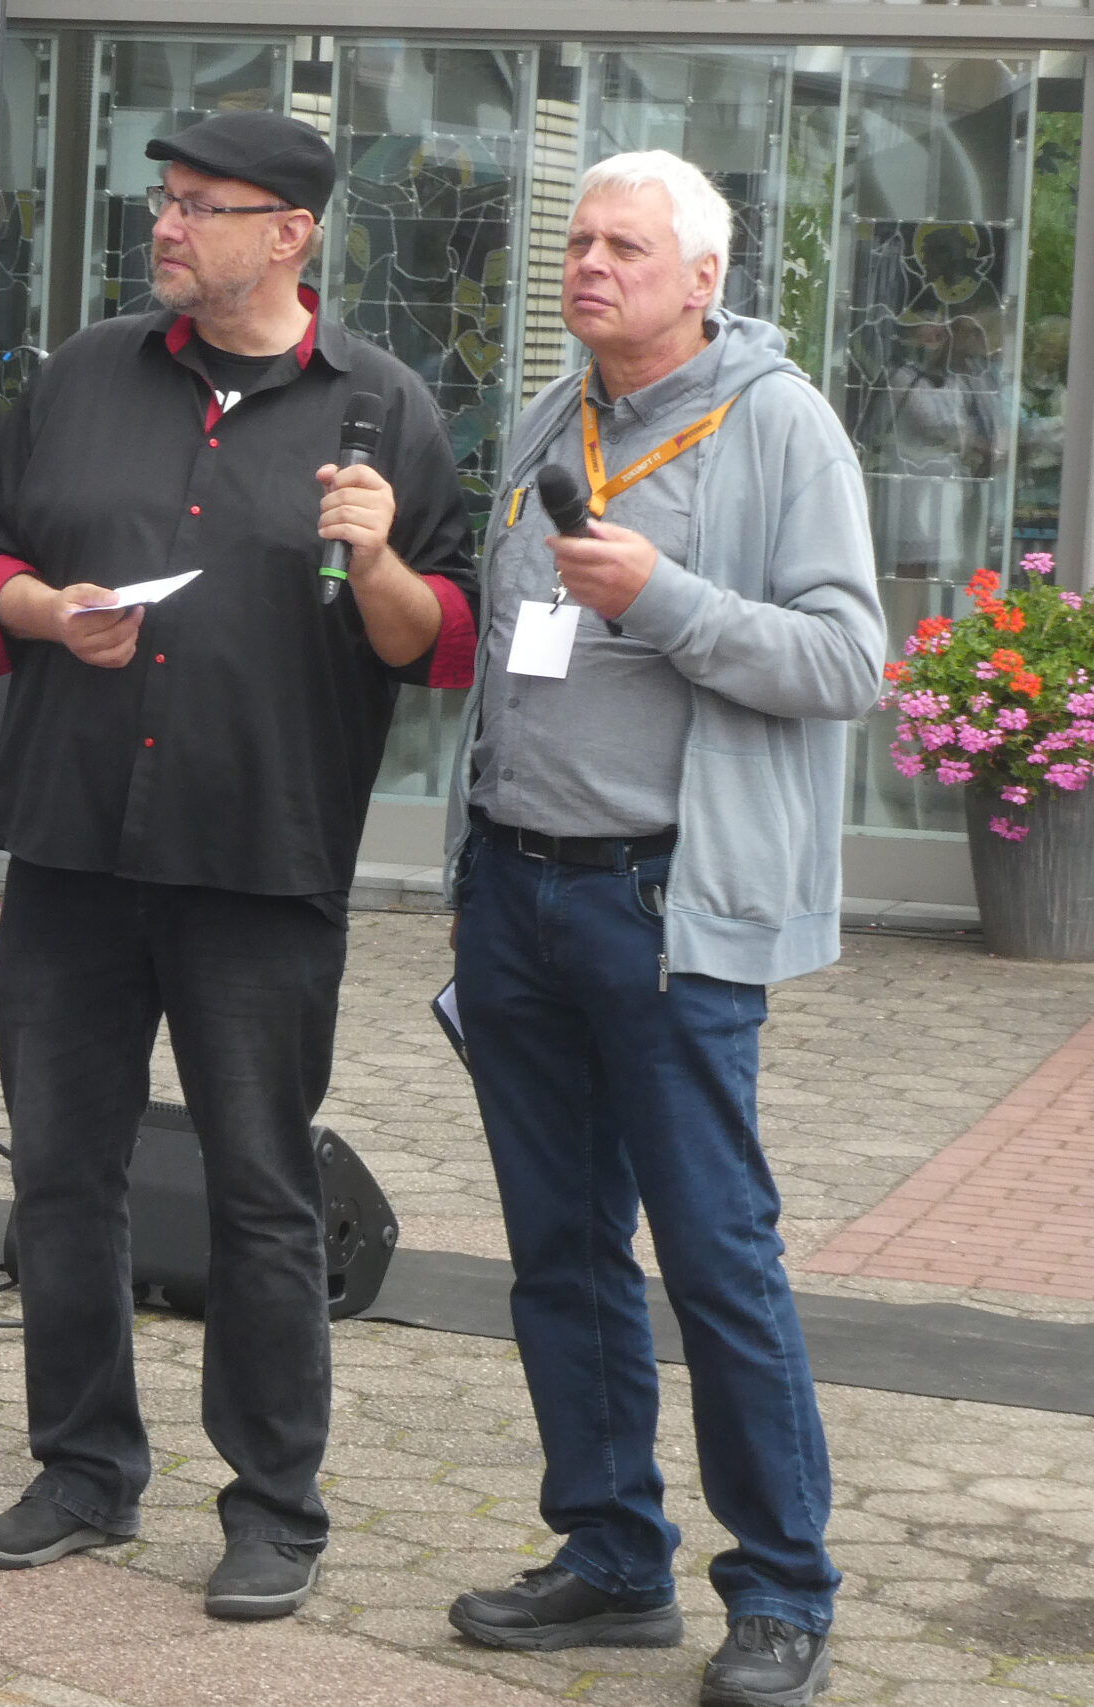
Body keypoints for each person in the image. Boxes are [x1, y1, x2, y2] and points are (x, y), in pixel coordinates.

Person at [0, 109, 478, 1622]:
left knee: (262, 1190)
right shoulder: (82, 376)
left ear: (290, 234)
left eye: (201, 206)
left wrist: (377, 561)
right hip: (73, 846)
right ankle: (83, 1471)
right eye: (162, 200)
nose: (165, 226)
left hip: (260, 860)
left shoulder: (385, 407)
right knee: (62, 1176)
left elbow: (440, 641)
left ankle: (275, 1507)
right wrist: (44, 610)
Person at [440, 151, 884, 1707]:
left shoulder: (779, 423)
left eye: (626, 246)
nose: (590, 264)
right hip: (518, 892)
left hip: (663, 909)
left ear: (703, 279)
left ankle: (783, 1592)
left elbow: (847, 663)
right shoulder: (549, 416)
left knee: (715, 1257)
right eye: (579, 239)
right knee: (560, 1253)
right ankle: (614, 1558)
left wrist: (665, 597)